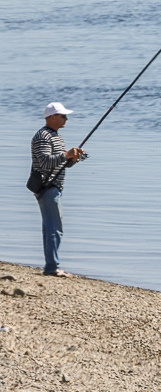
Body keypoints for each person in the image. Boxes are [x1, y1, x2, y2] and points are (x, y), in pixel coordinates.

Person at [28, 102, 85, 277]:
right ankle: (52, 267)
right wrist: (66, 155)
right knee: (54, 228)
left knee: (50, 228)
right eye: (63, 116)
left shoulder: (56, 136)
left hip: (54, 186)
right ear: (52, 117)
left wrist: (73, 159)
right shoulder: (43, 136)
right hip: (48, 187)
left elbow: (60, 164)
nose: (66, 119)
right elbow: (45, 162)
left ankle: (51, 265)